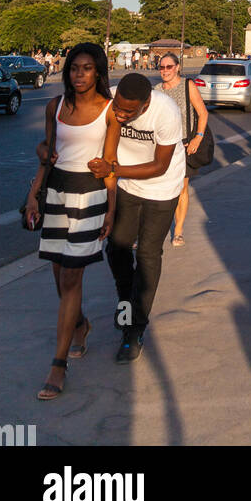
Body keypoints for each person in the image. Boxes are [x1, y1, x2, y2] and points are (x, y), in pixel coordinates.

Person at [25, 44, 120, 399]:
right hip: (57, 193)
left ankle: (58, 364)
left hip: (90, 196)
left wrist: (112, 209)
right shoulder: (56, 106)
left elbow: (110, 165)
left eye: (87, 68)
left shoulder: (109, 112)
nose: (80, 74)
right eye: (75, 68)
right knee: (57, 274)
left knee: (70, 275)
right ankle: (79, 324)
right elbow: (48, 153)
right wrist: (34, 194)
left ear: (98, 72)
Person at [89, 72, 187, 363]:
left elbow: (159, 165)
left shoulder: (165, 112)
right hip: (129, 184)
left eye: (127, 111)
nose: (119, 113)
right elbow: (104, 134)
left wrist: (112, 170)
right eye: (117, 106)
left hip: (162, 186)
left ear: (145, 106)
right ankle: (127, 302)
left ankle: (136, 329)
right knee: (117, 248)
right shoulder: (115, 100)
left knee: (147, 254)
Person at [157, 52, 209, 246]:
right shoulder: (156, 90)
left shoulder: (188, 86)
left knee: (181, 189)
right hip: (161, 148)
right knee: (159, 189)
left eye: (168, 67)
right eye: (161, 67)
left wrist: (198, 138)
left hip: (184, 145)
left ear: (178, 67)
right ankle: (156, 229)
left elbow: (202, 114)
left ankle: (178, 231)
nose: (164, 71)